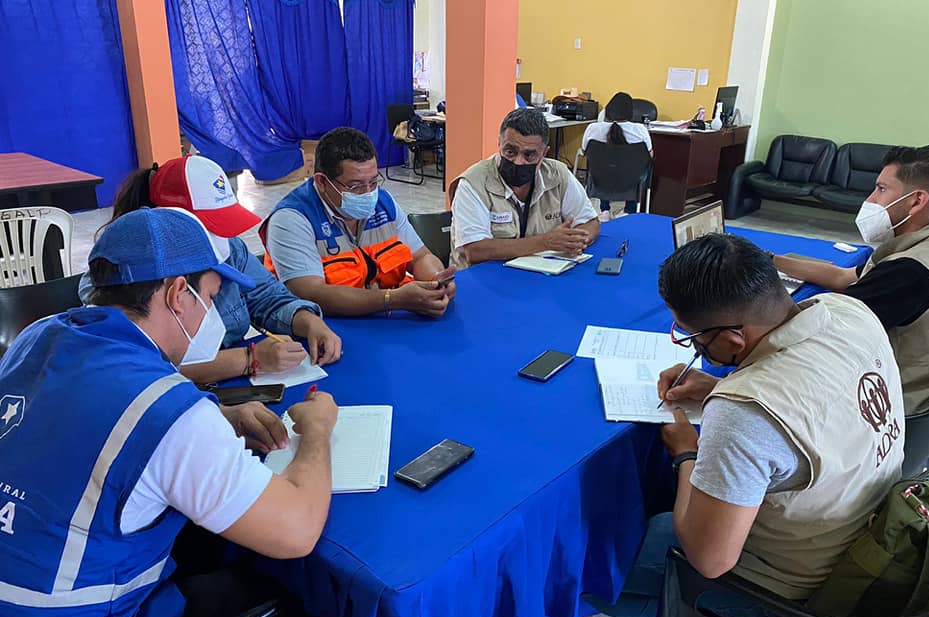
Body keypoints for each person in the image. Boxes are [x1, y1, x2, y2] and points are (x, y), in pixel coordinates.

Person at [0, 208, 338, 617]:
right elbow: (296, 531)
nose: (211, 315)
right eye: (211, 297)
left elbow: (73, 422)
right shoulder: (169, 410)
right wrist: (317, 432)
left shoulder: (37, 336)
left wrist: (219, 415)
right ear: (179, 294)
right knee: (297, 608)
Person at [603, 234, 904, 617]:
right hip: (868, 530)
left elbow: (710, 560)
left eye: (691, 337)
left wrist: (687, 454)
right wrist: (722, 385)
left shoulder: (743, 412)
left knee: (592, 569)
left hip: (796, 593)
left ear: (733, 339)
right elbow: (813, 396)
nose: (694, 348)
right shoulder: (848, 311)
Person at [79, 154, 342, 387]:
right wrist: (247, 359)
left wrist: (310, 322)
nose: (218, 237)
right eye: (207, 226)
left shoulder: (228, 247)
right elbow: (135, 367)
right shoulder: (118, 277)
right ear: (163, 219)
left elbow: (268, 298)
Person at [773, 145, 929, 414]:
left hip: (886, 403)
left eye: (881, 189)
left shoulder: (908, 272)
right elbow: (845, 276)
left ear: (916, 201)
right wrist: (770, 260)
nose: (870, 199)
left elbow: (816, 331)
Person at [261, 127, 456, 318]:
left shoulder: (384, 203)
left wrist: (436, 282)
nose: (368, 193)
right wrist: (392, 299)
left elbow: (421, 256)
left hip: (388, 320)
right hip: (327, 328)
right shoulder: (291, 219)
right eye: (355, 186)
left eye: (373, 182)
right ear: (321, 182)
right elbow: (311, 293)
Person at [450, 108, 599, 268]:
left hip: (538, 273)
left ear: (544, 153)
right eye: (510, 152)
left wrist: (575, 241)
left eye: (529, 155)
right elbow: (475, 250)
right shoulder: (473, 183)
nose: (518, 161)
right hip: (482, 276)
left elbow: (590, 222)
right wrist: (545, 242)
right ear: (499, 144)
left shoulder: (557, 174)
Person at [579, 91, 654, 221]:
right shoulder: (640, 130)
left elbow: (585, 150)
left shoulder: (593, 128)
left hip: (600, 178)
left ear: (608, 111)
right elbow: (650, 154)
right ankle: (629, 210)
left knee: (605, 164)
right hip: (631, 180)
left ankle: (604, 210)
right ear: (631, 112)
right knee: (639, 166)